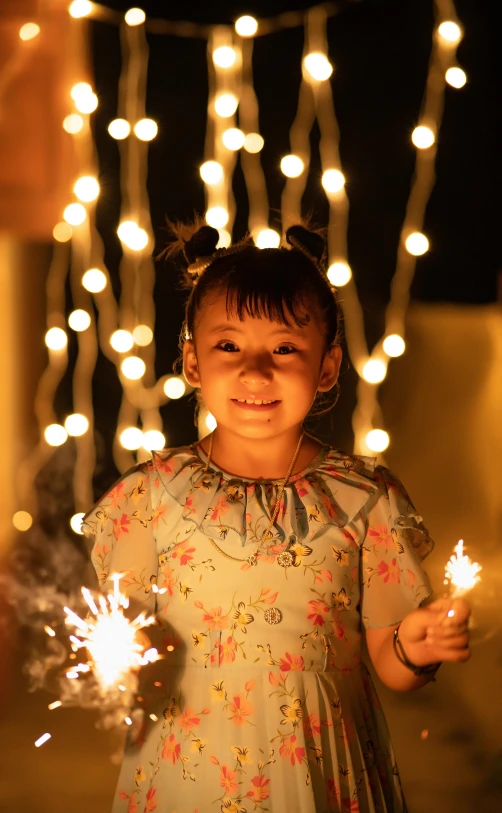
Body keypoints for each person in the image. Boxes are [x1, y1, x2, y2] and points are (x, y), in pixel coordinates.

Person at [82, 222, 471, 813]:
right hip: (189, 772)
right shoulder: (148, 499)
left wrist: (416, 646)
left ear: (327, 366)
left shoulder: (366, 498)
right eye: (228, 345)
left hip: (325, 770)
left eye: (285, 348)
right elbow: (127, 645)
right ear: (191, 360)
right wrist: (124, 655)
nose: (256, 371)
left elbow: (393, 666)